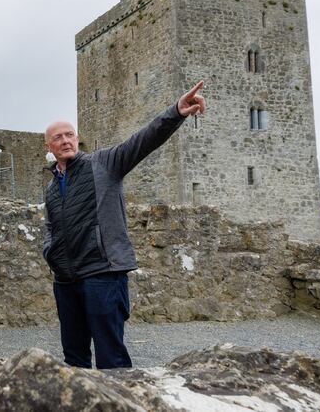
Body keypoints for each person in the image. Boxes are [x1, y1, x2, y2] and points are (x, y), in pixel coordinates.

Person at [42, 81, 207, 369]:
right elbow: (51, 227)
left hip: (103, 274)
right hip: (66, 280)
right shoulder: (51, 188)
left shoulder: (104, 163)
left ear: (77, 138)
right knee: (74, 358)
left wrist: (177, 112)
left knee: (111, 358)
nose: (66, 140)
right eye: (58, 137)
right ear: (49, 146)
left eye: (70, 135)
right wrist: (49, 252)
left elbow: (143, 140)